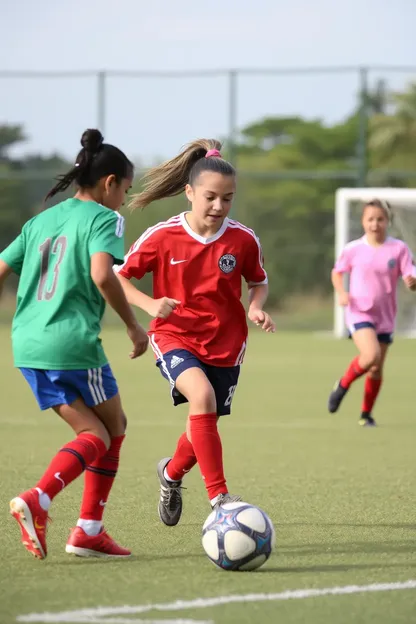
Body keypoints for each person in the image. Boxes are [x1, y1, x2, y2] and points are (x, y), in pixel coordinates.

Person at [0, 129, 148, 560]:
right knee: (111, 430)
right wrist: (135, 327)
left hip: (26, 345)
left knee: (94, 432)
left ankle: (84, 529)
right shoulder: (105, 219)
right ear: (109, 184)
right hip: (72, 343)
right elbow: (104, 275)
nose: (124, 197)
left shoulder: (40, 220)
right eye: (126, 188)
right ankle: (53, 508)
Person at [114, 139, 275, 527]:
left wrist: (256, 305)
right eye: (210, 197)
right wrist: (150, 305)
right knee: (201, 397)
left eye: (227, 199)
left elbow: (258, 280)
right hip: (174, 336)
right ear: (189, 193)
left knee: (203, 419)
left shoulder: (243, 239)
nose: (218, 207)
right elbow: (118, 278)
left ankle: (171, 474)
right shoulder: (162, 236)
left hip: (227, 342)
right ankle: (220, 497)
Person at [328, 198, 416, 426]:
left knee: (376, 368)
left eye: (380, 219)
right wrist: (342, 292)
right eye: (370, 219)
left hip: (385, 316)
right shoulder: (353, 249)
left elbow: (411, 274)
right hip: (359, 313)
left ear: (388, 221)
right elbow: (337, 272)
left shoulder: (398, 249)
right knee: (370, 356)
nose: (375, 224)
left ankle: (366, 415)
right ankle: (343, 384)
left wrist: (411, 282)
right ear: (363, 222)